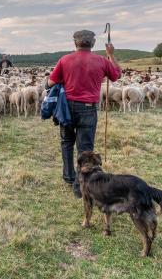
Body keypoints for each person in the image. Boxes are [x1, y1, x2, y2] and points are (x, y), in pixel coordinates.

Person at [46, 30, 121, 198]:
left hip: (66, 108)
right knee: (85, 148)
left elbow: (51, 82)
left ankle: (69, 176)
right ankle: (80, 186)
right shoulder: (101, 60)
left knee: (66, 141)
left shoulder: (65, 60)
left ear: (75, 43)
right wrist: (110, 55)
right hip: (88, 108)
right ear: (93, 43)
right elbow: (116, 75)